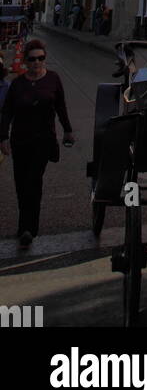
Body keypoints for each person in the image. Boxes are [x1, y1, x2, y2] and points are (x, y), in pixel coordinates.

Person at [0, 39, 75, 246]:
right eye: (32, 59)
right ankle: (24, 225)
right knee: (21, 184)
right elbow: (7, 111)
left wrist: (68, 130)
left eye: (41, 58)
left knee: (33, 181)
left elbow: (61, 106)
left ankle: (29, 228)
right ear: (25, 61)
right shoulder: (18, 84)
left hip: (43, 140)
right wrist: (3, 137)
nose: (37, 62)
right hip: (21, 140)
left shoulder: (53, 79)